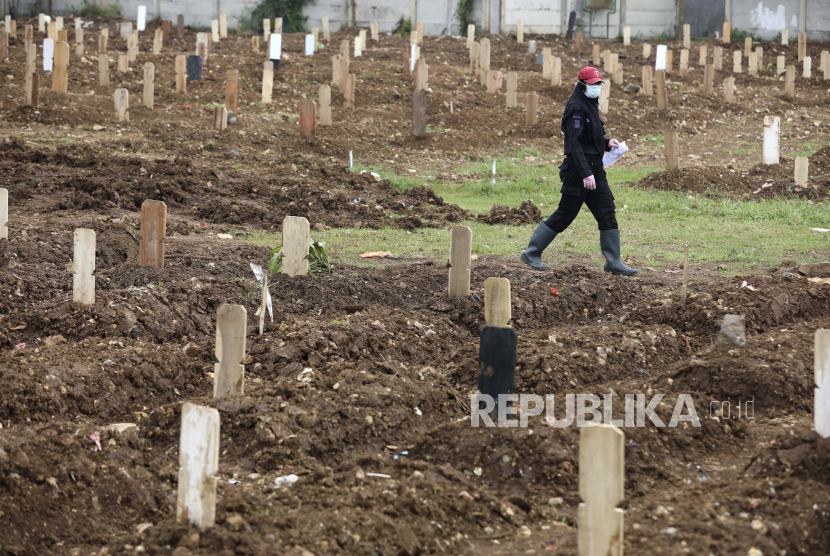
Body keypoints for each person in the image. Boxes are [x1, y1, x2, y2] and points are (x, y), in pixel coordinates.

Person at [520, 67, 637, 276]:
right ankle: (532, 252)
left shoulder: (591, 104)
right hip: (578, 171)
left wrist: (606, 142)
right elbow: (574, 145)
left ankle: (613, 261)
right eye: (592, 84)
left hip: (595, 168)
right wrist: (585, 173)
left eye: (598, 84)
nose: (596, 88)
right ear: (582, 84)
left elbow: (589, 137)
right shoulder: (575, 108)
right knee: (566, 212)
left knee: (607, 210)